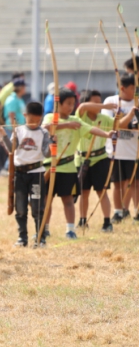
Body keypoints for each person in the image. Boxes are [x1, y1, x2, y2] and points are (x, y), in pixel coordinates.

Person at [40, 88, 113, 241]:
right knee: (46, 199)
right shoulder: (50, 117)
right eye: (67, 103)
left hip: (67, 167)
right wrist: (66, 125)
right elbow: (45, 128)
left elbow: (91, 129)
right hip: (49, 166)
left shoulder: (76, 121)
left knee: (68, 200)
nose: (71, 107)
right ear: (58, 104)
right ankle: (45, 229)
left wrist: (107, 134)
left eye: (73, 104)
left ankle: (70, 230)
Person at [0, 101, 51, 247]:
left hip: (36, 174)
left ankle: (40, 238)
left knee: (37, 207)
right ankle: (22, 237)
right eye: (31, 120)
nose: (35, 123)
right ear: (24, 116)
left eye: (38, 120)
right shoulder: (19, 130)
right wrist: (4, 134)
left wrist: (52, 144)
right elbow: (12, 149)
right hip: (20, 174)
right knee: (20, 208)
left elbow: (46, 154)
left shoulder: (44, 133)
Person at [76, 91, 116, 232]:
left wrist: (127, 114)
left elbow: (119, 124)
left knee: (102, 192)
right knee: (83, 192)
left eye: (101, 102)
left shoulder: (104, 118)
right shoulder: (80, 116)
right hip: (82, 159)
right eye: (96, 102)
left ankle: (107, 222)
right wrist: (105, 105)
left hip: (100, 159)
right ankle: (82, 220)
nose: (100, 106)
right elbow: (82, 106)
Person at [103, 73, 139, 222]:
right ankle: (118, 212)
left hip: (134, 151)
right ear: (122, 88)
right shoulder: (111, 102)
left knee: (135, 183)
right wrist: (130, 115)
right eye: (133, 88)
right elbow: (113, 125)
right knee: (117, 183)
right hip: (116, 151)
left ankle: (137, 212)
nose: (135, 91)